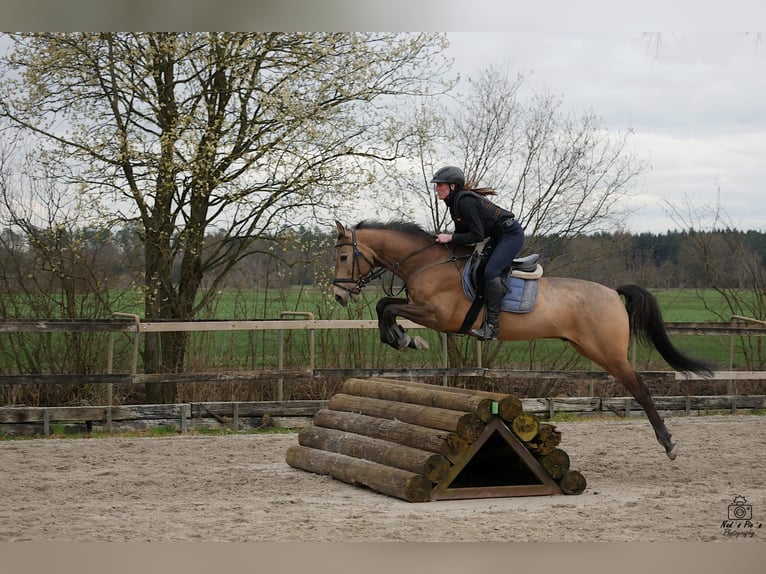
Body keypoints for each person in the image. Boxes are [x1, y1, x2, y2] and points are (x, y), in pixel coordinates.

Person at [431, 165, 525, 340]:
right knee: (479, 269)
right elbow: (464, 235)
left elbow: (476, 235)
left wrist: (450, 238)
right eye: (436, 185)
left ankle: (492, 327)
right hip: (498, 236)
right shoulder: (454, 204)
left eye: (440, 185)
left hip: (510, 235)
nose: (436, 188)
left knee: (490, 272)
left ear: (452, 186)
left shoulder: (464, 202)